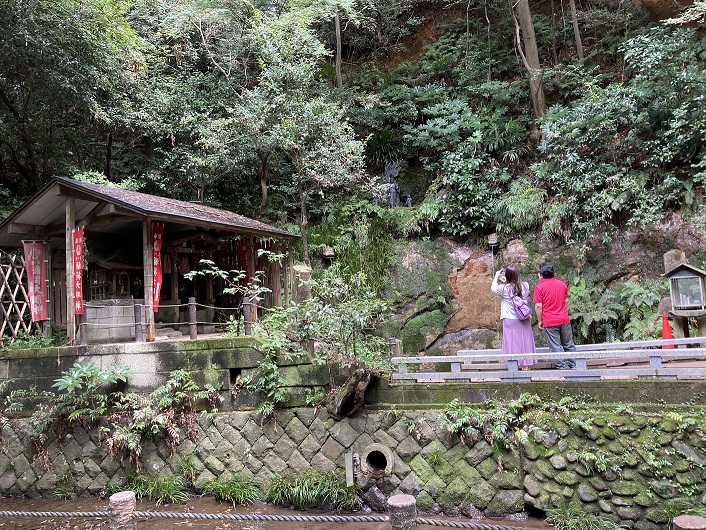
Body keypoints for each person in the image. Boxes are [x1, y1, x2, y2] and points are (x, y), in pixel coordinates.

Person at [533, 262, 576, 369]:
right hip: (564, 319)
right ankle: (575, 365)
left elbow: (538, 306)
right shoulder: (562, 284)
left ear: (541, 275)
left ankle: (562, 367)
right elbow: (566, 301)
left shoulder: (539, 287)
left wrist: (540, 320)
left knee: (556, 346)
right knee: (569, 344)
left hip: (550, 320)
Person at [491, 264, 535, 369]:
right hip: (524, 318)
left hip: (509, 319)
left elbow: (493, 289)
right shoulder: (525, 286)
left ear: (506, 276)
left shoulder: (503, 288)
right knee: (525, 341)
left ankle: (514, 366)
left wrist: (496, 276)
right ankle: (526, 366)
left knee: (511, 342)